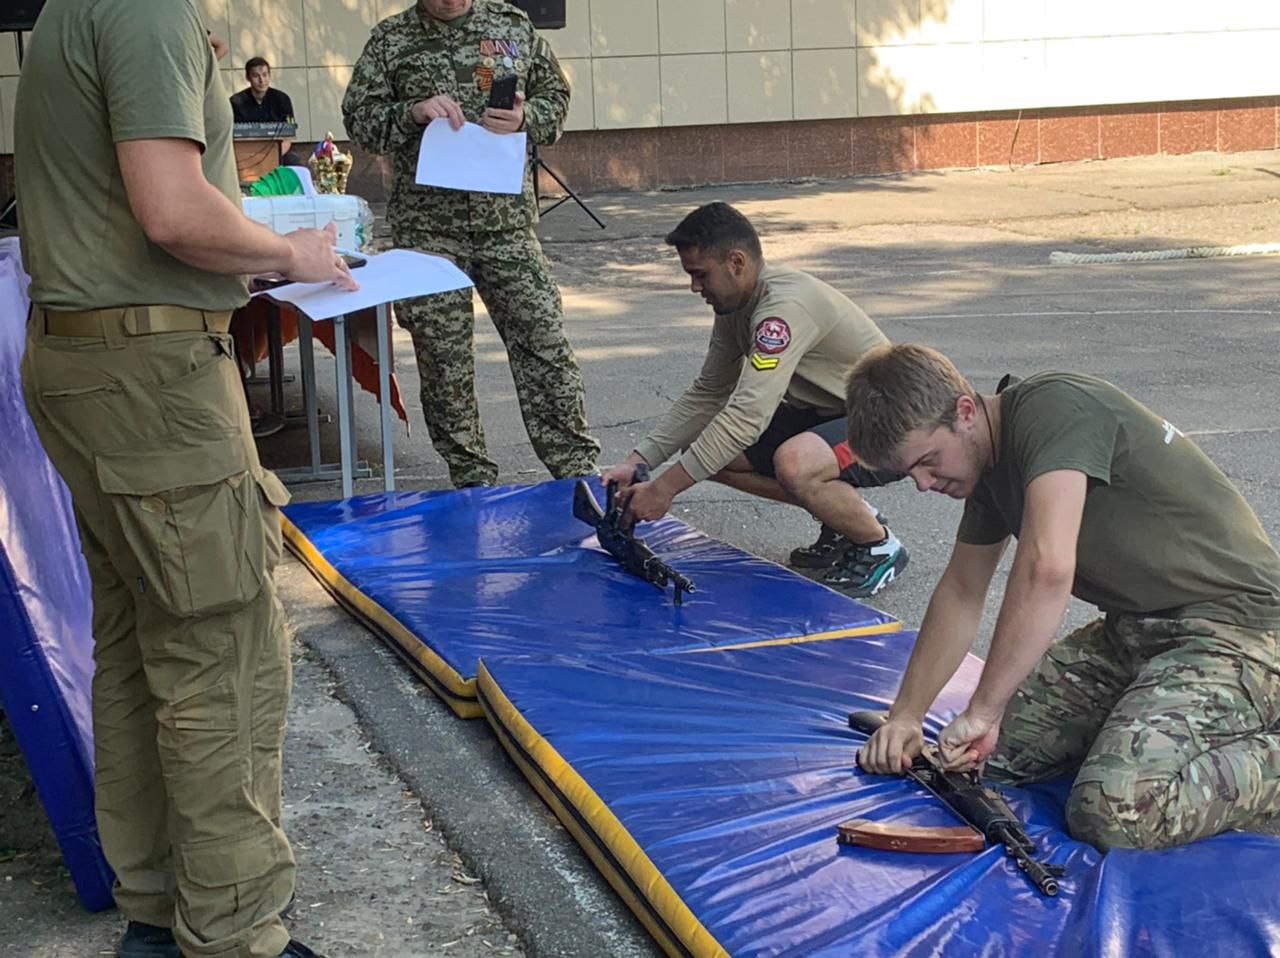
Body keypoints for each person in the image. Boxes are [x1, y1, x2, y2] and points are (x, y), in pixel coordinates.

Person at [14, 1, 356, 956]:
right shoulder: (147, 8)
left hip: (94, 361)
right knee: (222, 652)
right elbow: (170, 210)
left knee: (140, 644)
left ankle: (160, 914)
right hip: (152, 376)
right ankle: (235, 932)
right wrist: (290, 253)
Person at [848, 344, 1280, 850]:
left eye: (927, 462)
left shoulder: (1055, 408)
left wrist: (984, 709)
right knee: (992, 760)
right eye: (910, 473)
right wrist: (907, 715)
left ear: (964, 412)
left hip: (1238, 630)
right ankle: (1156, 720)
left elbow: (1047, 570)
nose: (923, 484)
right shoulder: (984, 461)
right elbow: (962, 591)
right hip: (1137, 630)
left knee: (1114, 813)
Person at [342, 0, 599, 488]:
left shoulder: (510, 25)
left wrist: (527, 117)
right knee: (444, 361)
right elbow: (361, 122)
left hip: (506, 226)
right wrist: (411, 112)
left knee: (545, 344)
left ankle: (575, 471)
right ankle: (471, 478)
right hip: (428, 230)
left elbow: (555, 97)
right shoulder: (390, 40)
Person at [602, 202, 909, 598]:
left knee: (795, 463)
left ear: (736, 262)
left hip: (890, 422)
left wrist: (664, 489)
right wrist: (638, 462)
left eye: (700, 274)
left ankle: (878, 544)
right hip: (832, 414)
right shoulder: (735, 305)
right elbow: (708, 393)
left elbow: (748, 415)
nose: (694, 287)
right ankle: (842, 516)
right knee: (706, 449)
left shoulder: (782, 310)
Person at [230, 56, 296, 158]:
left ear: (269, 75)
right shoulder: (236, 102)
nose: (261, 80)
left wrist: (272, 156)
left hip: (278, 151)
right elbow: (231, 137)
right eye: (256, 76)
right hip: (246, 153)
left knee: (294, 161)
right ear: (248, 77)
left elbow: (288, 137)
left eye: (265, 75)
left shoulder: (282, 99)